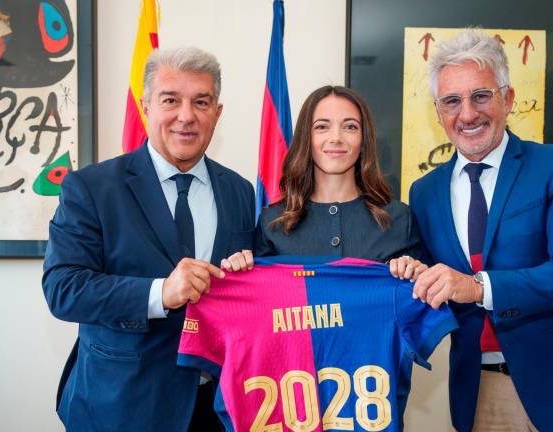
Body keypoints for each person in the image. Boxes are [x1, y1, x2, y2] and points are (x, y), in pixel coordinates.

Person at [409, 30, 553, 431]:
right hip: (480, 395)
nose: (468, 114)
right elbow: (433, 284)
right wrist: (408, 272)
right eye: (452, 101)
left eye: (481, 95)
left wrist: (479, 287)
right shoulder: (424, 193)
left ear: (507, 99)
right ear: (438, 111)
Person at [42, 47, 254, 431]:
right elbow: (64, 289)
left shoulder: (240, 191)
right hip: (121, 406)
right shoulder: (91, 187)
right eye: (170, 100)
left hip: (218, 409)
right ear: (146, 106)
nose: (186, 116)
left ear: (217, 113)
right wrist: (160, 293)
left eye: (201, 102)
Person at [224, 85, 426, 280]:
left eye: (350, 127)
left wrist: (416, 274)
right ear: (306, 138)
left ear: (364, 140)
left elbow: (424, 303)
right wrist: (238, 274)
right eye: (322, 127)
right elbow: (262, 304)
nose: (336, 137)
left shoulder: (399, 219)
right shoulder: (273, 222)